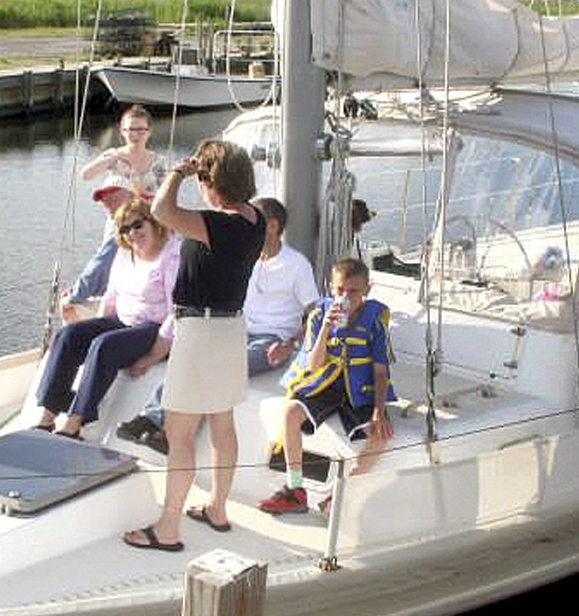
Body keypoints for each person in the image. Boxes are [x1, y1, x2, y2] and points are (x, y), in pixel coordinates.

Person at [123, 139, 265, 551]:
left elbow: (160, 211)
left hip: (200, 334)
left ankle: (168, 529)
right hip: (231, 331)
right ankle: (217, 509)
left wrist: (178, 173)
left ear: (210, 181)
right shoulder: (253, 219)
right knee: (223, 425)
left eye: (204, 178)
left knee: (179, 435)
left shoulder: (217, 224)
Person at [116, 196, 318, 452]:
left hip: (271, 341)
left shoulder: (297, 265)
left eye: (253, 218)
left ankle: (165, 430)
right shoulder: (244, 257)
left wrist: (291, 345)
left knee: (216, 368)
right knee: (190, 358)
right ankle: (151, 419)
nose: (245, 224)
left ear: (273, 226)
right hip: (235, 330)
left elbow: (315, 313)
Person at [259, 257, 395, 515]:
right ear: (331, 287)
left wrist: (379, 409)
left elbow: (380, 370)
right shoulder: (319, 314)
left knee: (380, 436)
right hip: (326, 382)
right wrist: (326, 329)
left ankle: (338, 495)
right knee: (290, 413)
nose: (345, 296)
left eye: (353, 291)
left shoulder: (375, 320)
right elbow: (314, 364)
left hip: (359, 387)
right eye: (340, 290)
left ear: (367, 290)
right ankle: (295, 488)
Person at [34, 199, 179, 439]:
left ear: (153, 222)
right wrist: (96, 327)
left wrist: (153, 355)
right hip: (124, 321)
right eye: (124, 229)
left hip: (154, 328)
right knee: (68, 336)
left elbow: (177, 311)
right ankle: (47, 418)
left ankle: (74, 425)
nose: (132, 233)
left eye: (137, 225)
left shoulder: (171, 255)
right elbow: (111, 296)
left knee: (105, 345)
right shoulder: (124, 253)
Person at [59, 183, 133, 323]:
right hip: (134, 297)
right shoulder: (148, 222)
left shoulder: (123, 229)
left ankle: (79, 344)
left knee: (69, 305)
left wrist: (74, 296)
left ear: (130, 195)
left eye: (114, 198)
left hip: (133, 306)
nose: (108, 203)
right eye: (105, 200)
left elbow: (99, 265)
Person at [80, 104, 167, 199]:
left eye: (141, 130)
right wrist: (110, 160)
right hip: (119, 213)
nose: (135, 134)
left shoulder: (159, 161)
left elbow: (164, 196)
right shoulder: (114, 155)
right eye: (131, 130)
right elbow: (85, 175)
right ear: (123, 131)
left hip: (147, 212)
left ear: (149, 131)